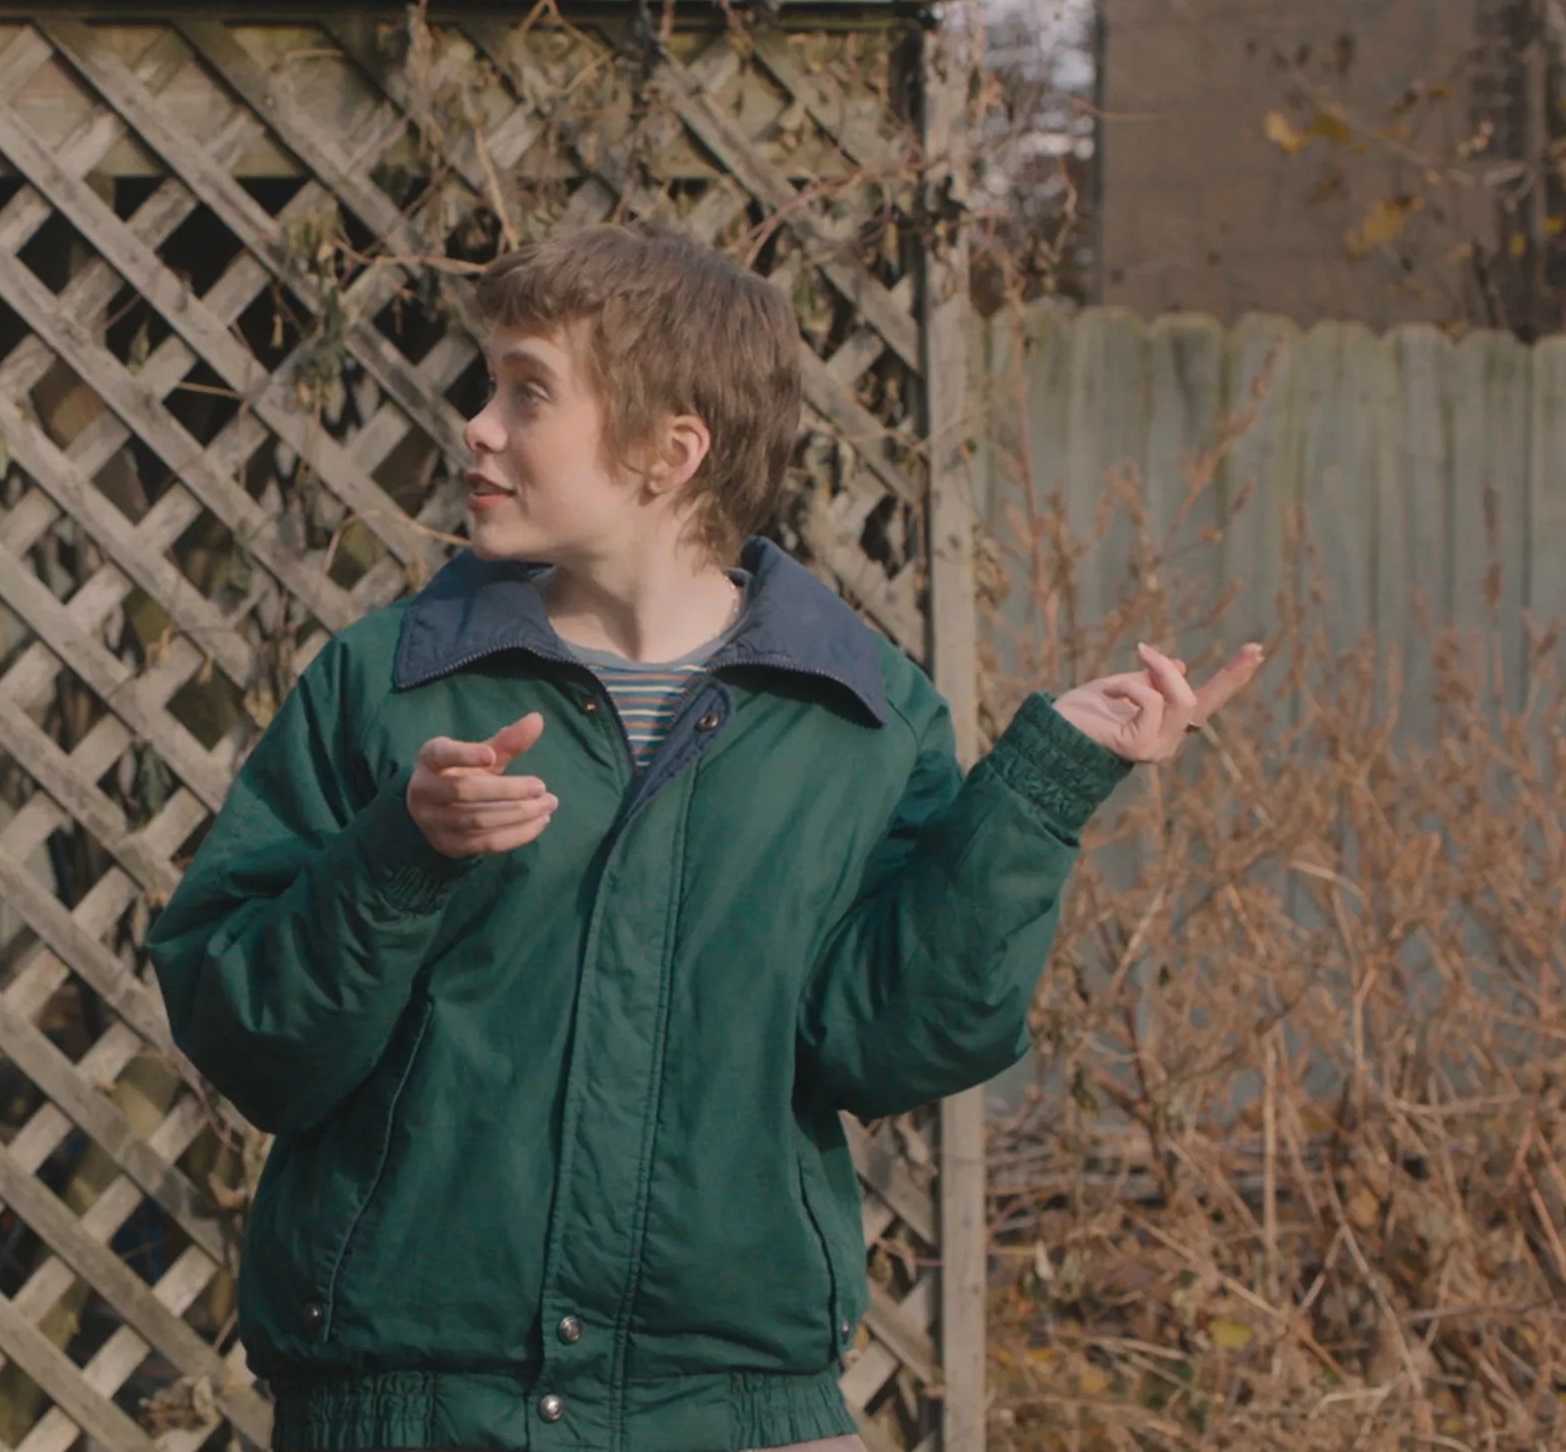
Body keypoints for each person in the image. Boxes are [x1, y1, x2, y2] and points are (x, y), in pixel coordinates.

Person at [147, 223, 1263, 1452]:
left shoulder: (862, 719)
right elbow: (247, 1042)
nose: (476, 424)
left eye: (527, 393)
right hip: (413, 1413)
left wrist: (1043, 783)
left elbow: (887, 1047)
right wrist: (395, 854)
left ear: (667, 452)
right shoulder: (386, 685)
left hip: (736, 1416)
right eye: (487, 387)